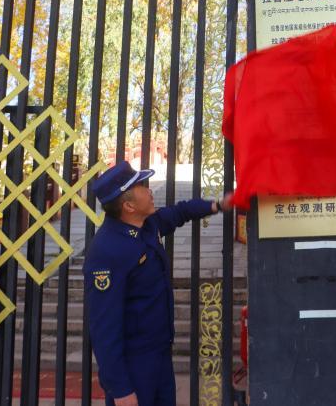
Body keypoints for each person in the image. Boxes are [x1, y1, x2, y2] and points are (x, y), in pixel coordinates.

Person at [83, 161, 233, 406]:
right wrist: (120, 389)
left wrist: (216, 205)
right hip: (134, 363)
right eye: (142, 187)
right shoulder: (107, 250)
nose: (150, 190)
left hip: (160, 353)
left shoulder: (147, 225)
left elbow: (179, 212)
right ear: (129, 205)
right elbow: (103, 327)